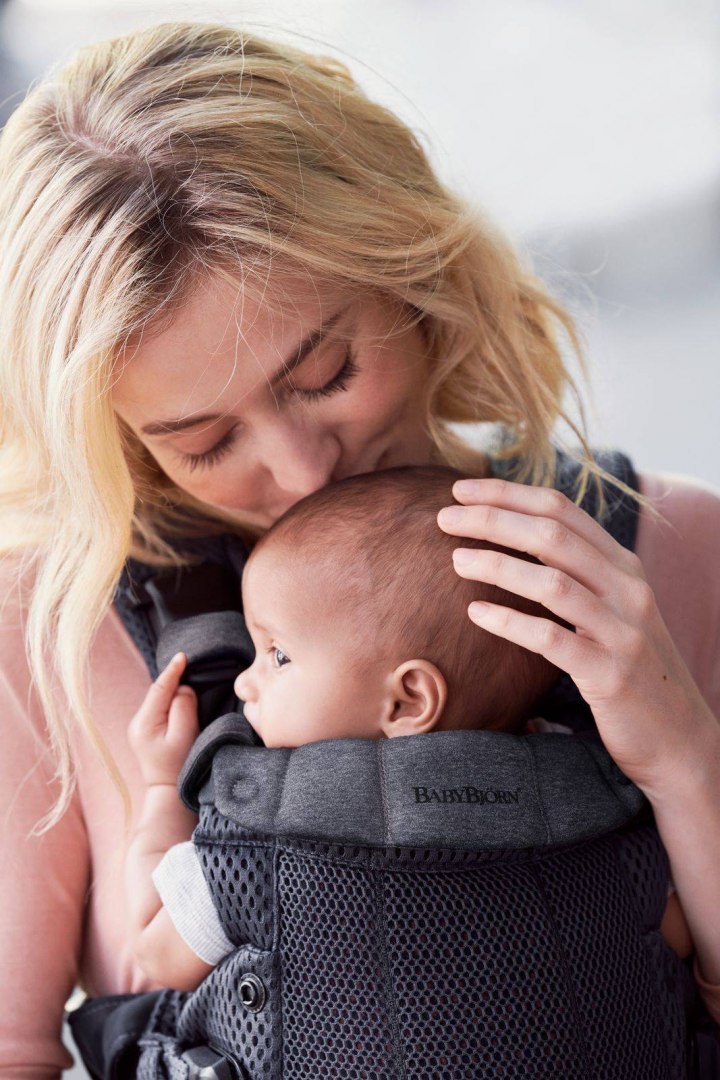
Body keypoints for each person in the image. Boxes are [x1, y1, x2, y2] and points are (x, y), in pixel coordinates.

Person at [0, 19, 718, 1079]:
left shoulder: (680, 556)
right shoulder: (44, 627)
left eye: (325, 374)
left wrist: (685, 760)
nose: (300, 471)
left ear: (415, 277)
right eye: (205, 443)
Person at [123, 465, 701, 998]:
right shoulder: (590, 794)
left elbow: (156, 954)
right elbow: (675, 939)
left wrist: (161, 788)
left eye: (278, 656)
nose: (245, 683)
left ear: (408, 701)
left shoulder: (260, 828)